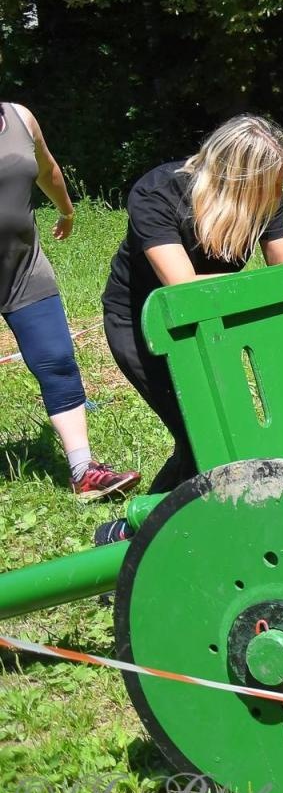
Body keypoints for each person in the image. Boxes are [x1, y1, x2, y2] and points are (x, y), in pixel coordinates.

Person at [100, 115, 283, 503]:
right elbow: (183, 289)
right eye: (273, 182)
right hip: (143, 322)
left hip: (211, 325)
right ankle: (136, 531)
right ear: (240, 177)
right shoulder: (158, 193)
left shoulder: (265, 199)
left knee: (228, 431)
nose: (280, 190)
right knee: (198, 436)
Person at [0, 101, 139, 500]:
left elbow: (47, 168)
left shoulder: (20, 118)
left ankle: (83, 470)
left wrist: (66, 210)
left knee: (57, 360)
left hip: (23, 268)